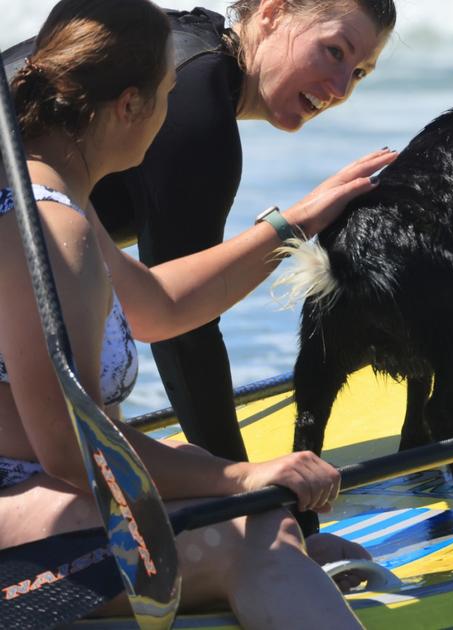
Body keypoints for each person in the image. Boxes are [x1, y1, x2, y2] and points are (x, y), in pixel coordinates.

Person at [0, 0, 398, 626]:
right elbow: (74, 451)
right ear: (131, 105)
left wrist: (295, 223)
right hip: (20, 516)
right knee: (253, 538)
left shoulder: (55, 197)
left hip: (40, 497)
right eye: (165, 92)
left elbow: (158, 306)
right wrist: (239, 479)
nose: (170, 115)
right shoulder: (51, 226)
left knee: (252, 509)